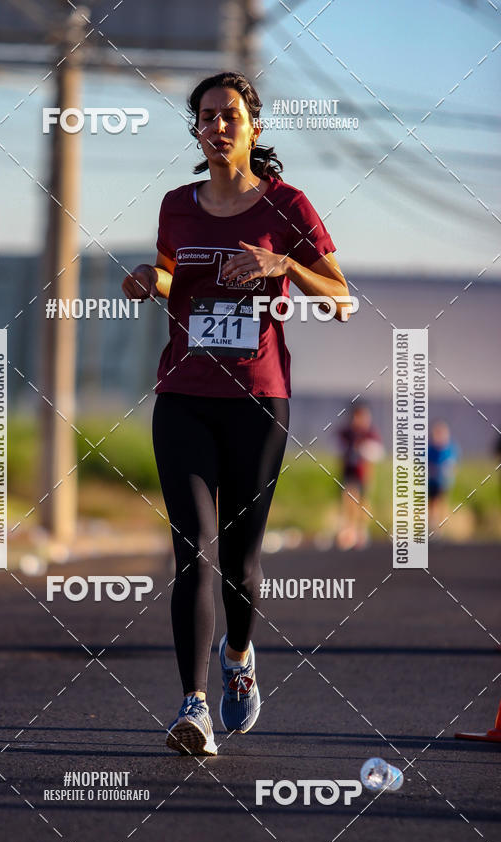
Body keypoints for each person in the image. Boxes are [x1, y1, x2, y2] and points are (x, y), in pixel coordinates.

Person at [122, 71, 350, 756]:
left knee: (240, 564)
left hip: (258, 400)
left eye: (230, 116)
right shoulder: (176, 206)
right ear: (195, 129)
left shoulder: (288, 205)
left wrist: (284, 265)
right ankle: (193, 707)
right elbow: (172, 274)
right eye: (206, 117)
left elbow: (343, 298)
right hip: (184, 396)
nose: (217, 127)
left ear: (254, 126)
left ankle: (241, 653)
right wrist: (148, 279)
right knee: (192, 547)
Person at [336, 404, 383, 550]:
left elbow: (377, 452)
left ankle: (361, 531)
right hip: (348, 472)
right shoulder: (347, 433)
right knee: (349, 500)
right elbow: (336, 445)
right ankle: (349, 531)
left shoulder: (370, 434)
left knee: (363, 502)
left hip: (364, 474)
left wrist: (364, 449)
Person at [428, 420, 459, 529]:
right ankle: (432, 524)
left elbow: (453, 465)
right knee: (432, 502)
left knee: (441, 501)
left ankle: (441, 525)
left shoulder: (450, 449)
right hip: (431, 481)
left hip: (444, 481)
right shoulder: (429, 449)